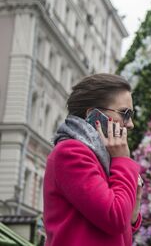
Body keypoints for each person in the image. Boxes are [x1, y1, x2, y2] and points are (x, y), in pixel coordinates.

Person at [43, 73, 143, 246]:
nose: (130, 124)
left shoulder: (103, 157)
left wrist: (132, 212)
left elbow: (113, 230)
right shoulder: (70, 152)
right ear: (93, 115)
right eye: (125, 114)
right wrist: (122, 160)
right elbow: (115, 219)